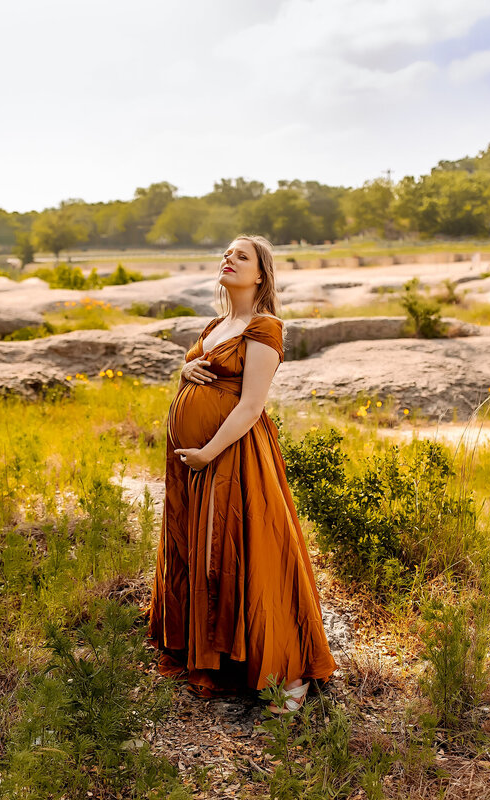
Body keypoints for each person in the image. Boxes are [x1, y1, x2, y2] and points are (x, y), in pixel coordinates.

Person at [147, 234, 337, 713]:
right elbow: (206, 372)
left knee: (245, 554)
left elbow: (251, 405)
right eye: (227, 253)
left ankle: (286, 673)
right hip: (194, 461)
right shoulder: (216, 324)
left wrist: (208, 452)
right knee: (202, 553)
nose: (229, 259)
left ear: (261, 275)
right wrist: (185, 370)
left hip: (231, 457)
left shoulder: (264, 325)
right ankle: (214, 653)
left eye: (242, 256)